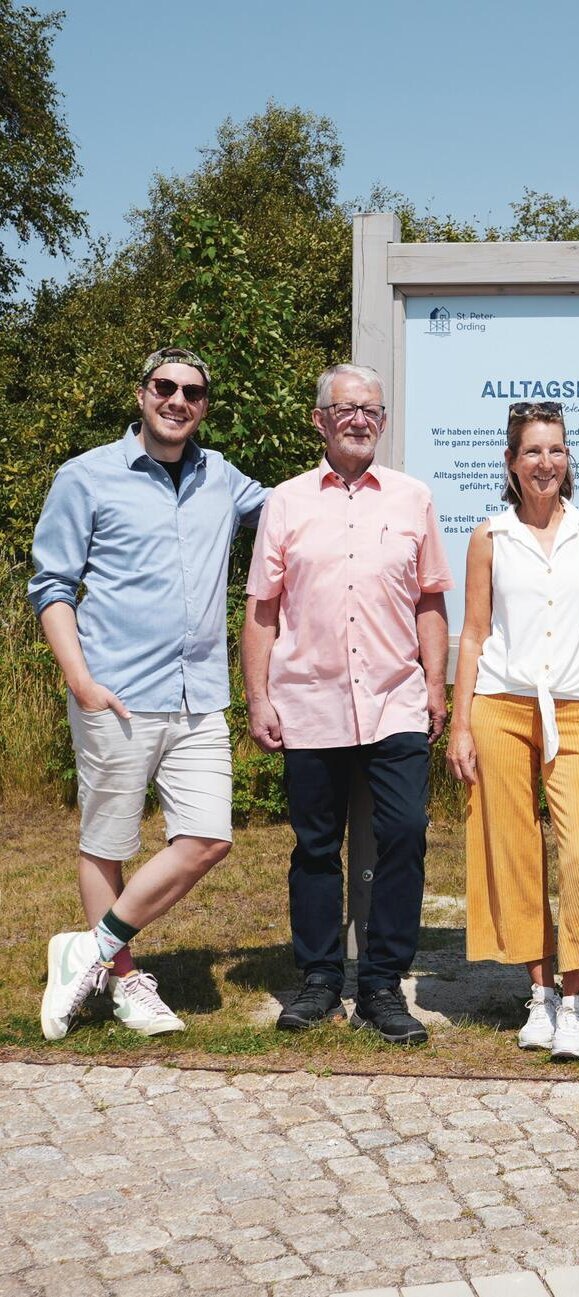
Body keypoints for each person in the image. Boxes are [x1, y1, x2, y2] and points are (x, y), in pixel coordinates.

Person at [30, 346, 265, 1040]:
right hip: (116, 693)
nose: (178, 401)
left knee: (208, 838)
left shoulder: (221, 476)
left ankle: (88, 951)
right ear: (141, 394)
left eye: (192, 392)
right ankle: (126, 980)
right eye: (165, 387)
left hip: (199, 699)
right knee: (107, 841)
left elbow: (291, 514)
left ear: (204, 406)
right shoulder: (86, 476)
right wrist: (82, 681)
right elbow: (51, 587)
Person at [242, 363, 452, 1045]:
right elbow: (262, 609)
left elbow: (430, 601)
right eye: (346, 408)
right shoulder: (287, 500)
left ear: (382, 421)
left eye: (372, 409)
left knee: (404, 833)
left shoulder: (413, 497)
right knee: (314, 846)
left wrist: (437, 687)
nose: (360, 419)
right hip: (308, 699)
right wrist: (257, 695)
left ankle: (384, 985)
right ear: (320, 421)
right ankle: (319, 980)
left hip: (396, 699)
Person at [447, 400, 579, 1062]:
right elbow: (470, 633)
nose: (545, 462)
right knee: (513, 850)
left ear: (567, 458)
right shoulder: (488, 538)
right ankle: (538, 995)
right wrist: (459, 722)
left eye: (555, 450)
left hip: (577, 708)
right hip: (499, 703)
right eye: (532, 451)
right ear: (510, 461)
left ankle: (577, 1001)